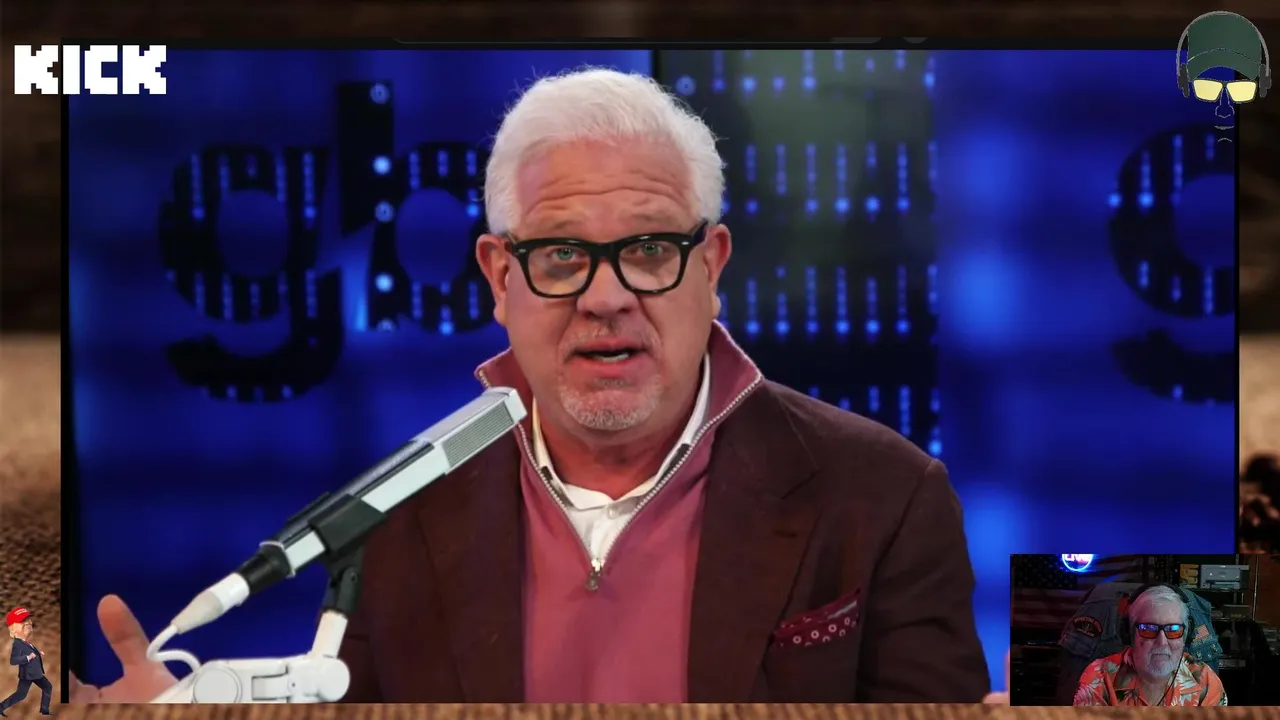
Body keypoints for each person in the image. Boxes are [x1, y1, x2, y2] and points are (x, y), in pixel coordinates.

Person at [70, 67, 989, 703]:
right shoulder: (398, 511)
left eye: (648, 250)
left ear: (711, 265)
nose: (605, 297)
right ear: (499, 278)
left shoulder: (886, 495)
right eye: (559, 256)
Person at [1073, 585, 1227, 706]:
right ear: (1129, 633)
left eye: (1173, 629)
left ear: (1186, 636)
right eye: (1148, 629)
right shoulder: (1098, 677)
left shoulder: (1205, 681)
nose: (1162, 642)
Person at [1, 607, 54, 716]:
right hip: (28, 675)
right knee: (21, 695)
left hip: (35, 673)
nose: (28, 623)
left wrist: (38, 654)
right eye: (22, 621)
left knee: (47, 687)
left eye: (28, 620)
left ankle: (44, 709)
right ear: (13, 630)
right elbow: (13, 660)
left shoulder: (27, 643)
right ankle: (1, 707)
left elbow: (32, 652)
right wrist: (28, 658)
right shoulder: (17, 644)